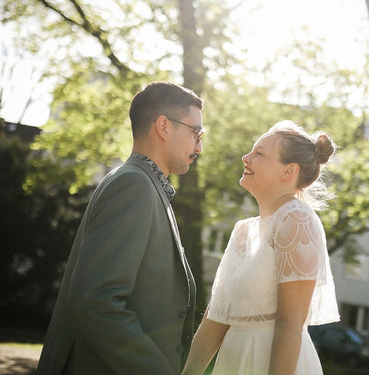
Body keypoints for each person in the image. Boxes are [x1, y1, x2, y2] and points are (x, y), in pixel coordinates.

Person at [36, 81, 204, 375]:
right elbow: (97, 300)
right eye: (195, 133)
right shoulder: (134, 185)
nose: (199, 146)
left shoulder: (147, 188)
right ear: (164, 127)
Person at [182, 120, 340, 375]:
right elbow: (216, 318)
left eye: (259, 153)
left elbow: (290, 324)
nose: (246, 157)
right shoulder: (243, 231)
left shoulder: (296, 219)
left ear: (288, 171)